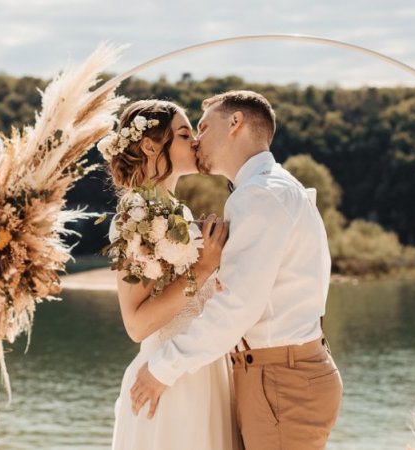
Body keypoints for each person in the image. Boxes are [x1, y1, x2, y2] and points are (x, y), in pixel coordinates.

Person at [130, 91, 343, 450]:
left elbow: (238, 307)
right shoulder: (274, 188)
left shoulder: (260, 196)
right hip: (279, 374)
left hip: (281, 381)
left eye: (202, 127)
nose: (196, 140)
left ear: (235, 123)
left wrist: (161, 369)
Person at [103, 99, 237, 450]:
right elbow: (137, 325)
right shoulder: (136, 214)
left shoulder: (177, 208)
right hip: (169, 381)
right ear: (150, 146)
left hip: (205, 367)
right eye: (183, 134)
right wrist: (204, 268)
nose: (194, 142)